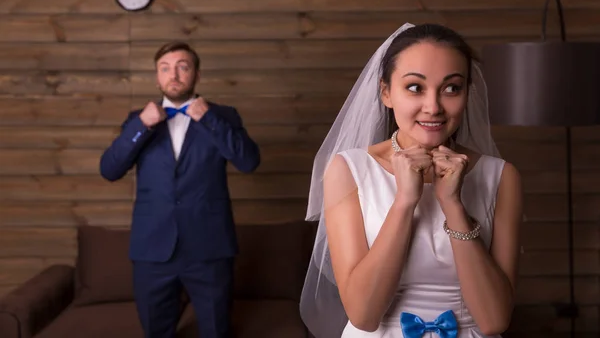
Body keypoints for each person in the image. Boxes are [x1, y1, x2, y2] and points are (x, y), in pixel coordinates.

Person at [299, 23, 523, 337]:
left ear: (467, 94)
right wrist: (405, 201)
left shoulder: (501, 176)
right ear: (386, 92)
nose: (433, 107)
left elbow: (495, 320)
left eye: (451, 88)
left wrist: (452, 205)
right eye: (415, 87)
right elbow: (363, 314)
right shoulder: (348, 169)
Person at [100, 41, 261, 338]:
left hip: (209, 249)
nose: (173, 75)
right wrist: (141, 125)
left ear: (196, 75)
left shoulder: (223, 116)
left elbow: (249, 162)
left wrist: (209, 118)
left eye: (182, 67)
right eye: (165, 68)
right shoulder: (138, 119)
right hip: (152, 250)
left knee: (216, 331)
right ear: (157, 77)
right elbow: (109, 170)